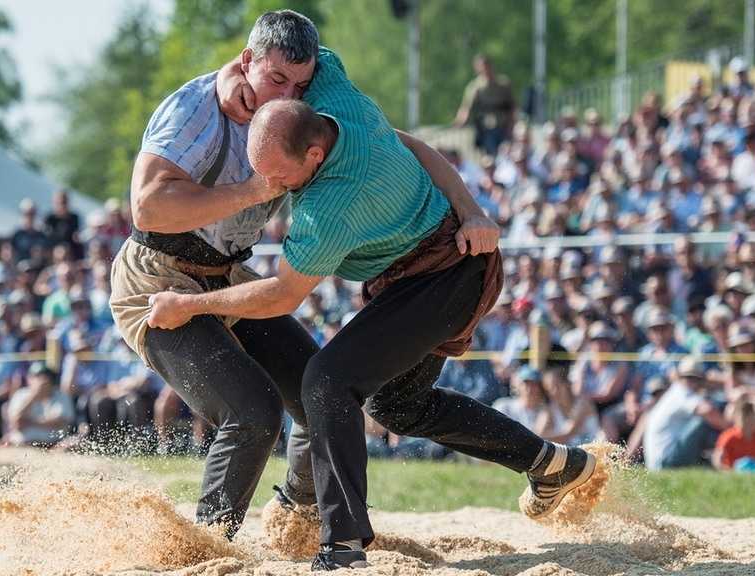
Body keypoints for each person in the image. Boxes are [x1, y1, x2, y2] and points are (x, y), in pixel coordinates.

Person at [147, 53, 595, 570]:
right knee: (397, 406)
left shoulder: (327, 208)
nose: (265, 188)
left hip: (441, 276)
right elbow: (414, 142)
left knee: (326, 380)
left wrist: (188, 304)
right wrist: (232, 74)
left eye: (276, 175)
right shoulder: (336, 93)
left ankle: (342, 547)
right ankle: (553, 465)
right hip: (438, 266)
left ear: (314, 155)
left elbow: (281, 297)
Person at [114, 10, 499, 540]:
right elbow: (148, 210)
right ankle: (202, 550)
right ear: (246, 61)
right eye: (275, 80)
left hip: (226, 273)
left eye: (299, 83)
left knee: (322, 394)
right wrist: (255, 190)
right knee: (254, 411)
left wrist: (471, 209)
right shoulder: (193, 111)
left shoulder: (304, 102)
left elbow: (398, 143)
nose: (287, 96)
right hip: (157, 279)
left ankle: (297, 513)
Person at [642, 356, 729, 471]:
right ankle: (730, 455)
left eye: (697, 379)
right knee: (702, 422)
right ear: (680, 378)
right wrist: (731, 430)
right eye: (689, 378)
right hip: (664, 462)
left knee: (705, 421)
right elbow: (707, 411)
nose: (693, 382)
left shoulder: (675, 392)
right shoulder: (681, 393)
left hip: (662, 459)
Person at [454, 54, 516, 156]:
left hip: (504, 125)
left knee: (507, 154)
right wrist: (460, 120)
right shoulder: (475, 87)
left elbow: (513, 106)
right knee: (490, 155)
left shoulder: (504, 84)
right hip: (487, 127)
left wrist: (511, 124)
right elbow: (467, 107)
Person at [4, 362, 75, 448]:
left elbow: (60, 420)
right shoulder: (20, 394)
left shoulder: (61, 395)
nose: (43, 380)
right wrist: (35, 395)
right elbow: (16, 421)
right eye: (38, 376)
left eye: (46, 376)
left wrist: (29, 424)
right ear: (29, 378)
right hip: (23, 444)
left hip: (55, 444)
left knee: (74, 442)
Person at [711, 400, 755, 472]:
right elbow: (717, 459)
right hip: (733, 470)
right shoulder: (729, 436)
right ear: (735, 418)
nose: (748, 422)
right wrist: (726, 471)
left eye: (751, 418)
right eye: (744, 419)